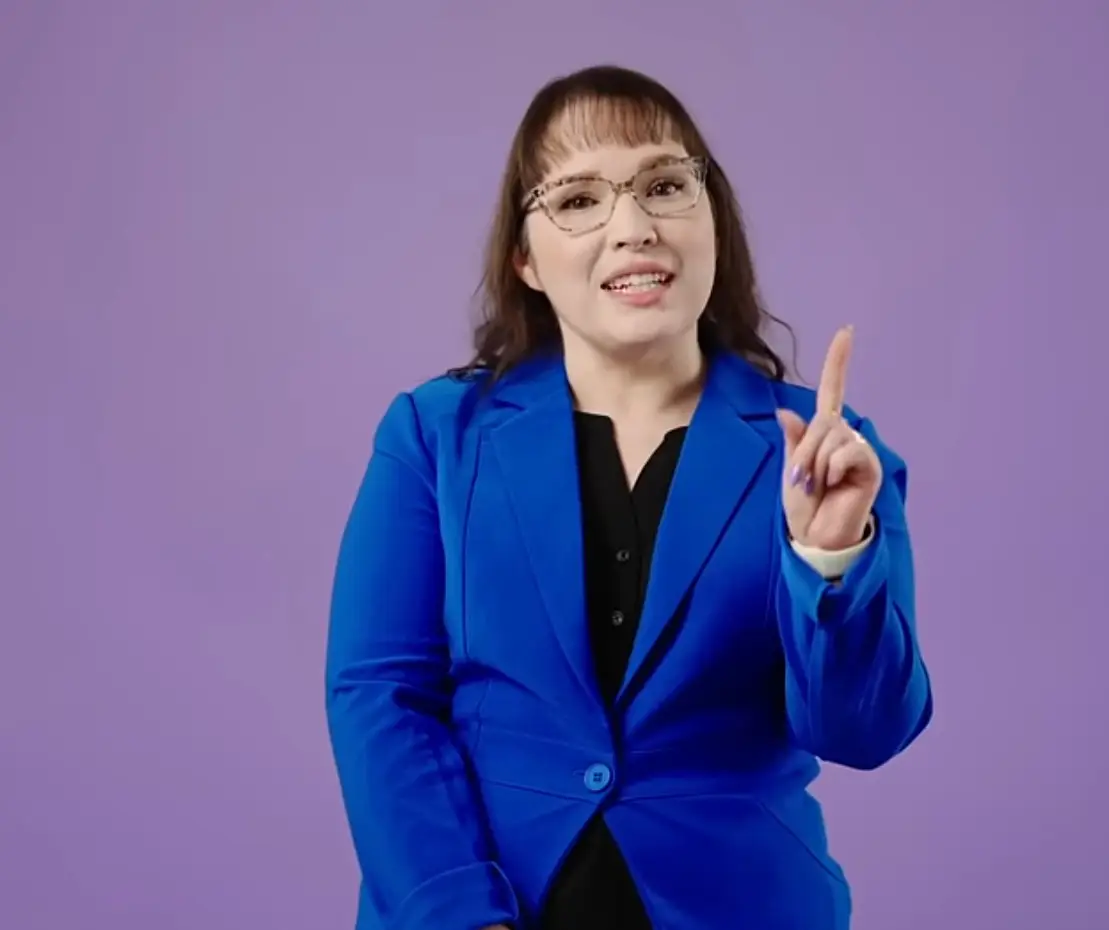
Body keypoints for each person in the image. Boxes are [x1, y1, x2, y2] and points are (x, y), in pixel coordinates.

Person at [325, 63, 933, 930]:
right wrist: (456, 916)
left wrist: (827, 559)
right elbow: (379, 695)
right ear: (525, 259)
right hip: (484, 905)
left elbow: (864, 733)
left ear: (710, 216)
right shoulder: (435, 434)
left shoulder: (825, 450)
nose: (632, 226)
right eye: (577, 200)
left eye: (663, 185)